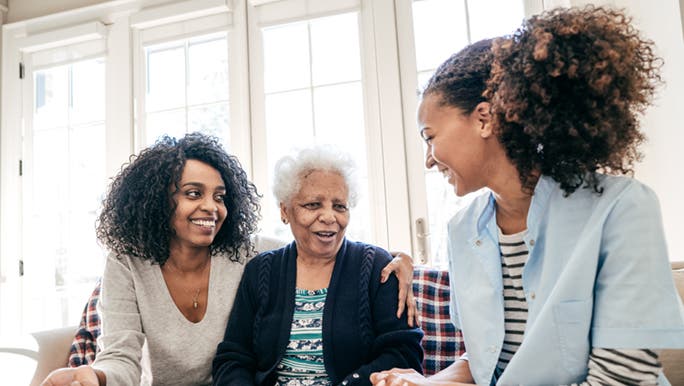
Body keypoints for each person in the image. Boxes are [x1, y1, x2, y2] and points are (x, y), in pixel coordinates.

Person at [371, 6, 684, 386]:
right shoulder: (461, 230)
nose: (428, 160)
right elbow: (487, 360)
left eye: (430, 137)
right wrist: (428, 383)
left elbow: (622, 379)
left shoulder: (622, 209)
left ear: (484, 118)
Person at [42, 133, 415, 386]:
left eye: (219, 196)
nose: (210, 207)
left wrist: (402, 259)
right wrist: (95, 376)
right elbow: (121, 355)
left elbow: (322, 249)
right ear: (158, 201)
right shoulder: (129, 263)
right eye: (193, 193)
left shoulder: (248, 253)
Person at [212, 145, 424, 385]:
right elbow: (234, 357)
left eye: (339, 206)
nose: (329, 217)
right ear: (285, 210)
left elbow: (404, 353)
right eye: (313, 205)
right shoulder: (261, 270)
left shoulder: (379, 268)